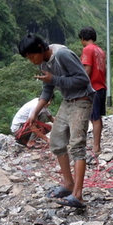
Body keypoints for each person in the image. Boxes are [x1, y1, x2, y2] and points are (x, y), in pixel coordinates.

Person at [19, 33, 94, 209]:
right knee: (57, 141)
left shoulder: (62, 55)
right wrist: (34, 113)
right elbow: (47, 90)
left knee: (77, 145)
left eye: (32, 56)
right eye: (28, 58)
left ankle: (78, 195)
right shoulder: (44, 63)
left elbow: (83, 79)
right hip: (68, 101)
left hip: (82, 100)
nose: (31, 61)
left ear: (40, 48)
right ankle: (68, 184)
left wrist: (54, 79)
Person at [79, 27, 106, 154]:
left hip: (93, 88)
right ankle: (97, 145)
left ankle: (96, 147)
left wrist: (80, 85)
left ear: (83, 39)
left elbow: (87, 69)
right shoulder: (100, 50)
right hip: (101, 86)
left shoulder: (87, 49)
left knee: (94, 118)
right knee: (97, 117)